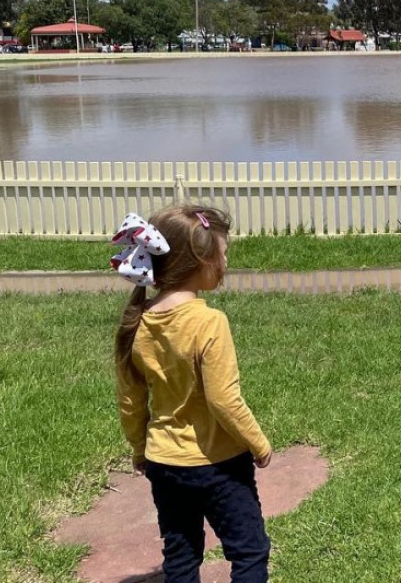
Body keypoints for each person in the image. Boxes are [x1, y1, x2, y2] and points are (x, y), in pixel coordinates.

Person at [113, 205, 273, 583]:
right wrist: (259, 443)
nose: (227, 260)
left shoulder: (138, 321)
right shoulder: (209, 322)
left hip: (164, 464)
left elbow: (131, 402)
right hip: (219, 464)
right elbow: (224, 400)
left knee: (182, 555)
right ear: (203, 260)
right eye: (225, 252)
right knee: (248, 551)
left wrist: (140, 450)